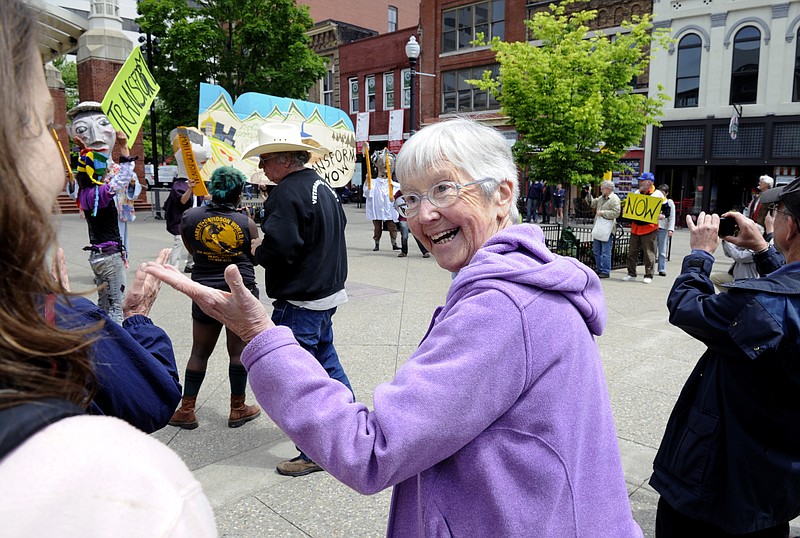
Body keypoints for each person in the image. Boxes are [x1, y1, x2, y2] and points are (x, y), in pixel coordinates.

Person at [148, 118, 642, 536]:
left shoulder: (502, 308)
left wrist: (259, 336)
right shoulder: (532, 282)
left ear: (502, 194)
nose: (423, 215)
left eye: (444, 189)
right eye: (409, 198)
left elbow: (370, 449)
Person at [0, 1, 215, 534]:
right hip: (104, 260)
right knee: (115, 306)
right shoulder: (107, 488)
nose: (63, 159)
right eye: (41, 126)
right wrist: (139, 322)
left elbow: (130, 197)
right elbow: (154, 393)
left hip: (108, 254)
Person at [650, 178, 800, 536]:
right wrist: (766, 252)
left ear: (791, 227)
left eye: (777, 212)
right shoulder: (778, 302)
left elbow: (687, 308)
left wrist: (700, 255)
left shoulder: (765, 305)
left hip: (716, 488)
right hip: (775, 488)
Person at [244, 122, 354, 477]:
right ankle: (349, 423)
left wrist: (258, 249)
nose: (262, 167)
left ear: (286, 159)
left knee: (296, 377)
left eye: (266, 160)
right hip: (326, 290)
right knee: (325, 360)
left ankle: (313, 451)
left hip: (301, 297)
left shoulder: (287, 192)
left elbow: (282, 247)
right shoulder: (323, 185)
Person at [168, 166, 261, 430]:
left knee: (199, 351)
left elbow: (192, 249)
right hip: (238, 292)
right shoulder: (246, 223)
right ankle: (237, 408)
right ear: (239, 193)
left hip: (205, 292)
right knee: (238, 352)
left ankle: (187, 409)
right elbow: (254, 257)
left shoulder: (190, 217)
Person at [70, 134, 130, 324]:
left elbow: (87, 168)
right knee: (116, 307)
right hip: (110, 258)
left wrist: (83, 148)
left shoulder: (84, 193)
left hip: (97, 257)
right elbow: (125, 176)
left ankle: (99, 342)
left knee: (104, 304)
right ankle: (117, 347)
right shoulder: (102, 193)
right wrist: (124, 146)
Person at [164, 130, 211, 273]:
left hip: (193, 218)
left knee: (194, 241)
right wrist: (190, 189)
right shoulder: (179, 184)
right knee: (179, 242)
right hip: (180, 220)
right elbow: (182, 201)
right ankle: (172, 268)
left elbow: (203, 197)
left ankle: (190, 264)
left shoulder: (197, 182)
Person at [623, 172, 665, 284]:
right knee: (632, 252)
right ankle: (631, 273)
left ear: (650, 183)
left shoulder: (658, 194)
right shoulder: (637, 192)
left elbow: (666, 209)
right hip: (636, 227)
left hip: (649, 228)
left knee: (649, 252)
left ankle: (649, 275)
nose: (640, 182)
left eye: (642, 180)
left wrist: (662, 215)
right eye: (640, 180)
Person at [364, 148, 400, 251]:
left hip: (388, 210)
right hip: (377, 209)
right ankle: (377, 244)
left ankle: (394, 243)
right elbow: (367, 193)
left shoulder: (394, 185)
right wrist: (367, 182)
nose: (385, 166)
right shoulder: (373, 183)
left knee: (392, 226)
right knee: (377, 228)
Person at [590, 180, 621, 278]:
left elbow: (616, 213)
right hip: (599, 227)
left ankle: (605, 270)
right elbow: (592, 204)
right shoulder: (601, 198)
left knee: (605, 251)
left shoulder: (614, 199)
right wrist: (588, 193)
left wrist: (603, 213)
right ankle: (599, 268)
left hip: (607, 228)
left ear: (608, 189)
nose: (601, 189)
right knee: (596, 250)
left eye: (602, 188)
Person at [394, 188, 430, 258]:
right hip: (403, 218)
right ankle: (404, 251)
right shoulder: (400, 192)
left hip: (413, 217)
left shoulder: (414, 192)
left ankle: (425, 251)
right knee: (404, 236)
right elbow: (394, 199)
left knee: (417, 236)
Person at [657, 184, 676, 277]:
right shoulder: (655, 200)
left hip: (663, 228)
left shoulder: (669, 202)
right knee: (651, 250)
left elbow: (672, 217)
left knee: (662, 250)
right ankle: (650, 268)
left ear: (667, 193)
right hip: (653, 227)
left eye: (663, 192)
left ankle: (662, 268)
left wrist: (670, 229)